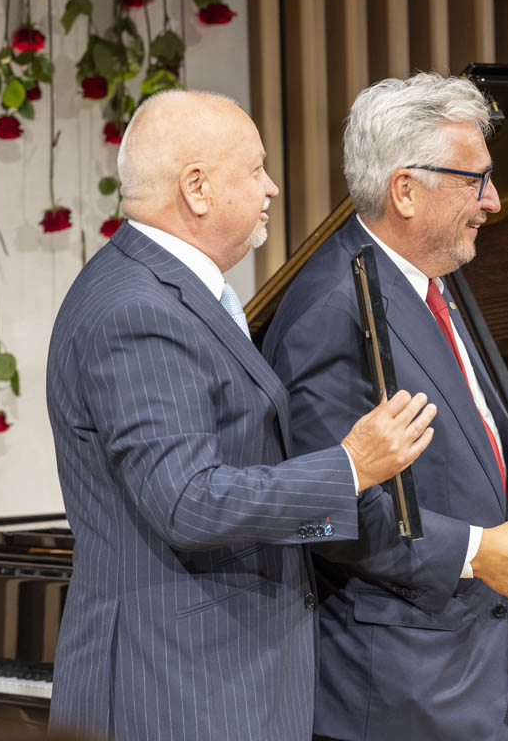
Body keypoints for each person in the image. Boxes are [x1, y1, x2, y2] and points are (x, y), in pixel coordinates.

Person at [45, 90, 437, 741]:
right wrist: (350, 468)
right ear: (197, 188)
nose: (272, 187)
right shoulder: (138, 311)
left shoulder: (164, 290)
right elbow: (187, 501)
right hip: (179, 690)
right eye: (255, 169)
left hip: (215, 675)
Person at [263, 73, 508, 740]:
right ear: (405, 189)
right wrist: (478, 551)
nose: (494, 201)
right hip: (398, 693)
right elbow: (328, 509)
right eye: (476, 180)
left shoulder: (427, 282)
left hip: (458, 674)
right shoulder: (332, 309)